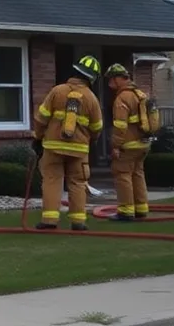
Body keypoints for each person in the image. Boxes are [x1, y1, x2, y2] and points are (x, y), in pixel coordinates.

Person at [32, 55, 104, 230]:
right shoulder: (91, 98)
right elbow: (97, 127)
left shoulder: (57, 91)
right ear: (92, 78)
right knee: (78, 183)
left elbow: (41, 118)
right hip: (79, 149)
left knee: (52, 180)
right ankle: (78, 222)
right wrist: (91, 141)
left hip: (53, 146)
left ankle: (49, 220)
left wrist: (38, 138)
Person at [105, 63, 151, 221]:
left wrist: (115, 146)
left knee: (122, 175)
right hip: (143, 144)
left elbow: (120, 126)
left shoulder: (122, 98)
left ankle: (126, 211)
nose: (109, 83)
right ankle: (141, 208)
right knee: (138, 174)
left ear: (119, 79)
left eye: (111, 79)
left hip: (128, 145)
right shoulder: (139, 94)